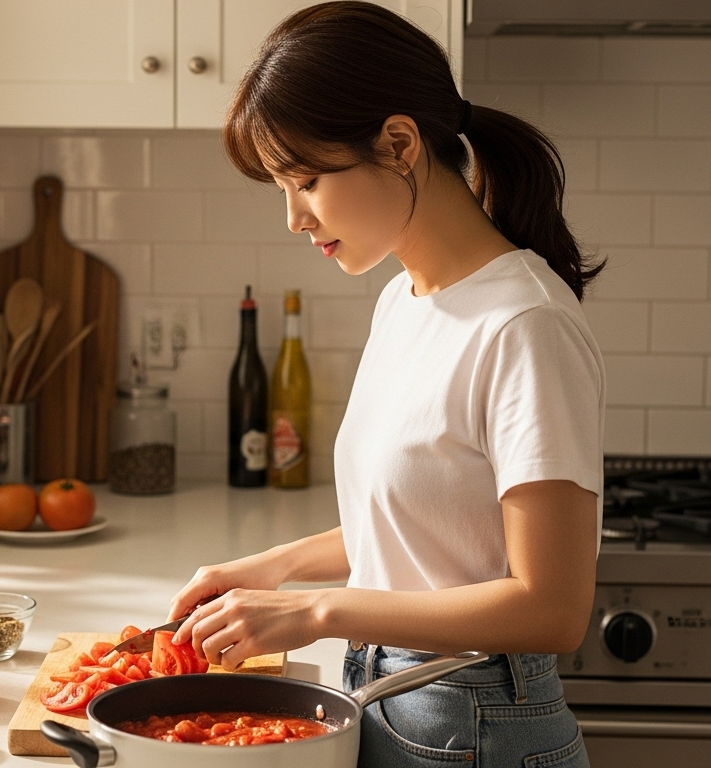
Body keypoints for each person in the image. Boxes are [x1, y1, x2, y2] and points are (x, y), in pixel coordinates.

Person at [168, 3, 603, 767]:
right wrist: (270, 569)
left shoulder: (524, 324)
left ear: (398, 144)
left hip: (476, 723)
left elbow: (552, 607)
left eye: (304, 179)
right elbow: (430, 524)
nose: (295, 219)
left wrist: (315, 610)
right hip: (392, 698)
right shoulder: (404, 300)